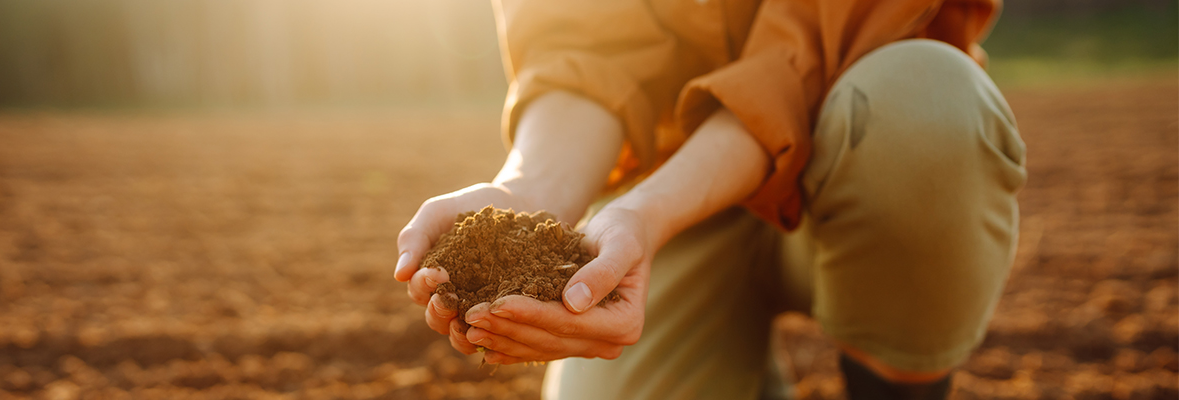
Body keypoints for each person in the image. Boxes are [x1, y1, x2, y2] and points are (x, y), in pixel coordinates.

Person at [393, 0, 1026, 398]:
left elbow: (801, 51)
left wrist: (644, 211)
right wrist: (531, 191)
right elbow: (582, 52)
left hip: (863, 150)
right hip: (675, 197)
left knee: (930, 108)